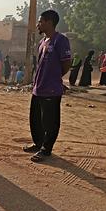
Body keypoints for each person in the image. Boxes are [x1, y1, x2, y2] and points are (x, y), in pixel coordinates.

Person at [23, 10, 72, 162]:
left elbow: (66, 64)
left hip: (51, 89)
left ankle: (46, 149)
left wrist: (54, 78)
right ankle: (38, 143)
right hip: (39, 88)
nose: (38, 24)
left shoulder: (60, 40)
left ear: (49, 22)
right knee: (36, 119)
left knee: (50, 121)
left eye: (40, 21)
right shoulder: (42, 42)